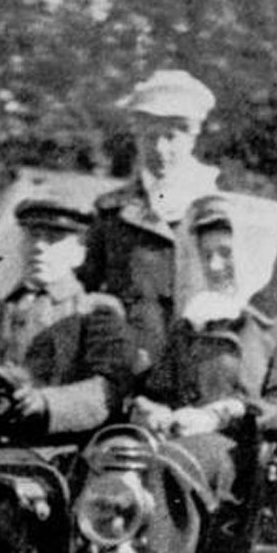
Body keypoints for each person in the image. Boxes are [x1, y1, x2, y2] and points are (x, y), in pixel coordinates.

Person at [129, 191, 277, 498]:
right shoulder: (197, 314)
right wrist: (153, 409)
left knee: (171, 462)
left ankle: (150, 548)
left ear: (253, 250)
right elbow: (161, 389)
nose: (214, 267)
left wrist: (215, 416)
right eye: (206, 255)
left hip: (239, 448)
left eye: (226, 253)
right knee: (111, 455)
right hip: (177, 437)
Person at [0, 194, 132, 442]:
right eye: (32, 236)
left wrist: (45, 402)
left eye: (54, 239)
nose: (39, 247)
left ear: (79, 254)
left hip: (52, 454)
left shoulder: (95, 311)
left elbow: (106, 391)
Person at [79, 68, 222, 372]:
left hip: (199, 365)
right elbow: (84, 285)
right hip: (127, 364)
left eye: (171, 137)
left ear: (192, 138)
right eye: (149, 136)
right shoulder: (111, 212)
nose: (159, 150)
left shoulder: (216, 209)